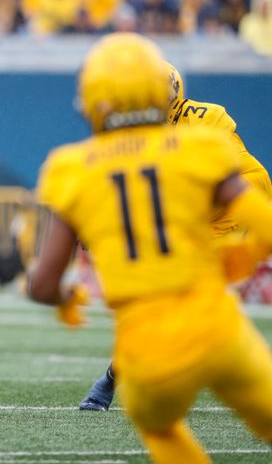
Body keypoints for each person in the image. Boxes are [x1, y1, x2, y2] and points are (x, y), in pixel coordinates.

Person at [28, 32, 272, 463]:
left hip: (210, 237)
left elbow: (42, 284)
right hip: (213, 311)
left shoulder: (75, 168)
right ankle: (108, 381)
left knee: (159, 417)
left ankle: (109, 382)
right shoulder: (198, 148)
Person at [79, 61, 272, 412]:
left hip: (237, 206)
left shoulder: (204, 120)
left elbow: (228, 177)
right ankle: (114, 379)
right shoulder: (133, 134)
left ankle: (113, 382)